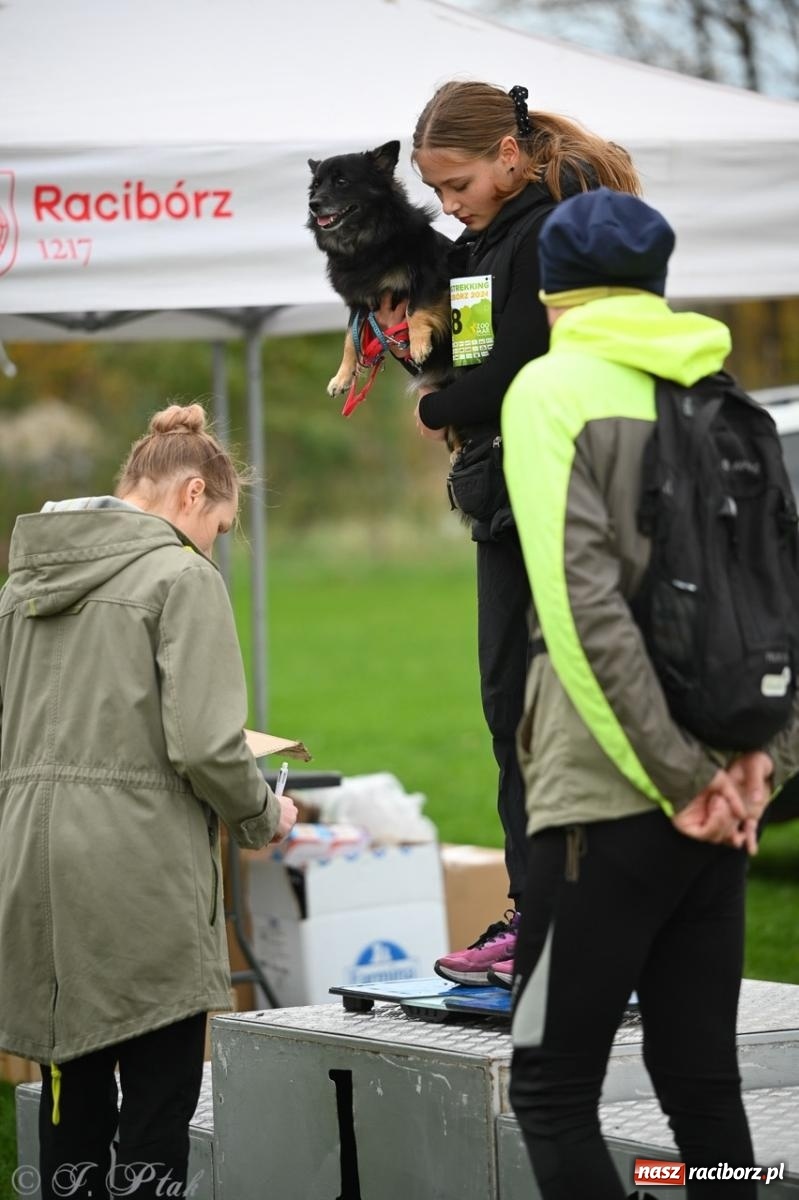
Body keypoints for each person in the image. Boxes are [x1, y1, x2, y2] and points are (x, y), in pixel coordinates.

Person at [501, 188, 799, 1199]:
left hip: (608, 799)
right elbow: (780, 603)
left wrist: (676, 780)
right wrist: (758, 765)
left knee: (548, 1088)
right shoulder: (722, 397)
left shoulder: (551, 390)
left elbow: (583, 613)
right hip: (727, 795)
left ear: (554, 295)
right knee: (702, 1091)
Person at [0, 403, 298, 1200]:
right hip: (138, 870)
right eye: (222, 527)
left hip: (30, 868)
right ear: (192, 493)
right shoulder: (179, 576)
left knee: (70, 1098)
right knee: (156, 1114)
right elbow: (204, 743)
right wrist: (263, 815)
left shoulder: (21, 584)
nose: (215, 546)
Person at [408, 80, 642, 985]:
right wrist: (419, 351)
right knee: (508, 707)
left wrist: (438, 408)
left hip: (555, 492)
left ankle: (569, 928)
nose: (447, 204)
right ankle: (532, 912)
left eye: (456, 182)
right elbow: (472, 351)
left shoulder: (554, 228)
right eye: (434, 192)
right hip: (499, 497)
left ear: (507, 155)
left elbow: (521, 362)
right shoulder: (480, 240)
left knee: (557, 713)